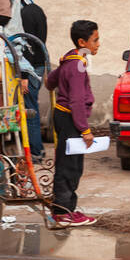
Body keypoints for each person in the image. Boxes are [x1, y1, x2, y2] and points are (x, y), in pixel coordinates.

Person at [44, 19, 100, 227]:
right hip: (70, 118)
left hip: (64, 116)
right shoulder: (76, 65)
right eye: (95, 40)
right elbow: (76, 100)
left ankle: (65, 209)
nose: (98, 44)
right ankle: (63, 212)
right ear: (82, 42)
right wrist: (85, 130)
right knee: (70, 167)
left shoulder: (70, 59)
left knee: (67, 163)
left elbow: (50, 81)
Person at [17, 0, 47, 158]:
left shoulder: (25, 13)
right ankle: (37, 150)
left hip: (31, 69)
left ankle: (36, 151)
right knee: (31, 108)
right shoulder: (37, 10)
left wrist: (24, 75)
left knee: (30, 110)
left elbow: (27, 46)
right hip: (39, 65)